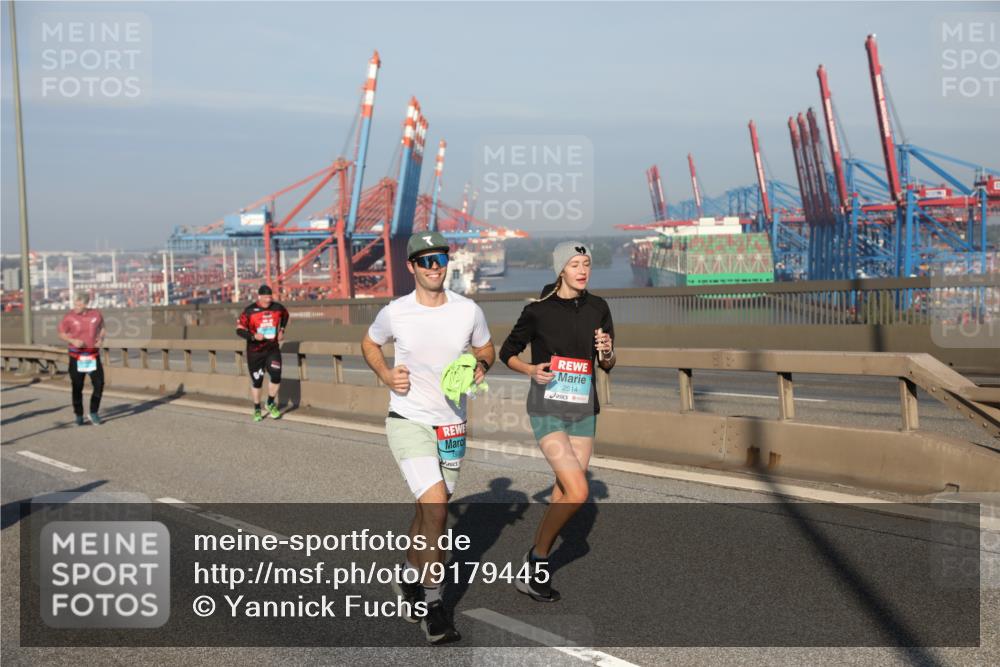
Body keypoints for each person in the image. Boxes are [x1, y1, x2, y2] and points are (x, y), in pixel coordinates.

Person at [362, 231, 495, 645]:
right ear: (412, 267)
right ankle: (435, 608)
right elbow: (369, 342)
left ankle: (407, 576)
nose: (434, 267)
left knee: (430, 511)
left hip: (452, 425)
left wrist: (480, 367)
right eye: (425, 261)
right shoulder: (396, 313)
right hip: (408, 419)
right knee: (436, 507)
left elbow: (487, 348)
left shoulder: (468, 310)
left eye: (440, 259)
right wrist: (385, 373)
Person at [498, 241, 615, 603]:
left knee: (565, 493)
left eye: (587, 264)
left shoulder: (599, 307)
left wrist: (608, 353)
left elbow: (607, 364)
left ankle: (533, 567)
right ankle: (537, 560)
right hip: (546, 407)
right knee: (579, 491)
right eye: (575, 264)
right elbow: (507, 353)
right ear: (561, 269)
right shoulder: (538, 311)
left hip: (583, 411)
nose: (583, 270)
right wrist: (531, 370)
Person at [236, 285, 289, 422]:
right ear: (259, 297)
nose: (268, 299)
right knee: (257, 381)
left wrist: (282, 329)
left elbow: (285, 315)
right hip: (255, 352)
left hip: (272, 349)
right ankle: (257, 408)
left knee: (276, 376)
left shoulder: (277, 308)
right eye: (266, 297)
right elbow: (239, 330)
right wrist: (253, 336)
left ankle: (270, 403)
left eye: (270, 296)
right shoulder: (249, 311)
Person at [58, 293, 107, 426]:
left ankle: (93, 412)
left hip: (93, 356)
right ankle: (78, 414)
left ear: (86, 304)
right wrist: (72, 340)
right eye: (75, 304)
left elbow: (102, 328)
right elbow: (61, 333)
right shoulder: (69, 317)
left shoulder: (96, 314)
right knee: (77, 387)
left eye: (79, 304)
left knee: (99, 384)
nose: (76, 307)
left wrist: (100, 338)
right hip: (76, 357)